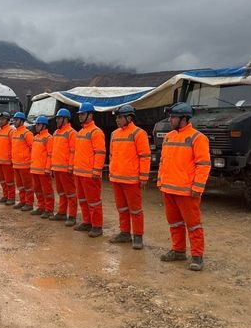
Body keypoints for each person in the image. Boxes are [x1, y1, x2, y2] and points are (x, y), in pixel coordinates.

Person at [157, 102, 211, 271]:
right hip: (169, 189)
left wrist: (198, 187)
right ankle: (178, 250)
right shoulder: (169, 137)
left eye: (173, 117)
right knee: (174, 223)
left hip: (187, 191)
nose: (170, 120)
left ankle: (197, 256)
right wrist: (160, 181)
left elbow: (203, 164)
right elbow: (163, 162)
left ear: (183, 118)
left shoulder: (198, 138)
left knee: (193, 225)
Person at [108, 105, 151, 249]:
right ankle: (125, 233)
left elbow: (144, 156)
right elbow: (112, 155)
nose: (117, 120)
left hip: (131, 180)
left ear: (129, 118)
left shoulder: (139, 133)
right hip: (117, 178)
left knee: (136, 210)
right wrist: (111, 173)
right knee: (122, 208)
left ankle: (137, 237)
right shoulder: (114, 134)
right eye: (117, 117)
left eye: (120, 117)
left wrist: (143, 177)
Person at [72, 102, 106, 237]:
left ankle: (97, 226)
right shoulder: (81, 132)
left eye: (83, 114)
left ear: (90, 115)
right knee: (83, 199)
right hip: (79, 172)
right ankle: (87, 222)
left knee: (94, 201)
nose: (80, 117)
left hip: (90, 174)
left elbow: (100, 152)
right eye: (79, 114)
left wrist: (96, 170)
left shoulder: (96, 132)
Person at [50, 108, 78, 225]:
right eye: (57, 118)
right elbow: (53, 151)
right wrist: (52, 167)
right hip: (57, 168)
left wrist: (71, 167)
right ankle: (61, 213)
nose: (57, 120)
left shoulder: (72, 133)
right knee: (61, 192)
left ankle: (72, 216)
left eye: (59, 118)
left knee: (71, 193)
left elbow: (73, 151)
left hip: (66, 169)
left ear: (66, 119)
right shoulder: (56, 133)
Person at [30, 115, 54, 219]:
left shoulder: (48, 138)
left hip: (43, 170)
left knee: (47, 191)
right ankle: (41, 207)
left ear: (44, 125)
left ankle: (49, 210)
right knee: (38, 190)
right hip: (35, 169)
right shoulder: (35, 138)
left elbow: (50, 154)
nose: (36, 126)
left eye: (38, 124)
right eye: (36, 124)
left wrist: (48, 168)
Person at [11, 112, 34, 212]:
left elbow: (33, 148)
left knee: (28, 185)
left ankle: (29, 203)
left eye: (16, 120)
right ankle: (22, 201)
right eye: (14, 120)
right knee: (20, 185)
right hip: (16, 164)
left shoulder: (27, 133)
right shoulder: (14, 133)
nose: (14, 122)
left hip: (25, 164)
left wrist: (30, 161)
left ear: (22, 121)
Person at [0, 111, 16, 206]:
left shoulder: (11, 131)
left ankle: (11, 198)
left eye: (3, 119)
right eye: (0, 119)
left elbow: (14, 146)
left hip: (8, 161)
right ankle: (5, 195)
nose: (1, 121)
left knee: (9, 181)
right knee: (2, 180)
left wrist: (12, 158)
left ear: (7, 120)